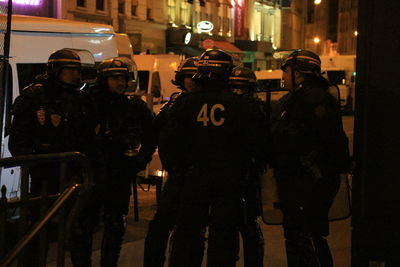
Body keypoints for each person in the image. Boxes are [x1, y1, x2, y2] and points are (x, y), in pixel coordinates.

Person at [160, 49, 268, 267]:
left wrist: (179, 171)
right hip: (228, 181)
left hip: (193, 179)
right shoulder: (240, 104)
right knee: (223, 237)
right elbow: (257, 145)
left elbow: (169, 142)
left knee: (188, 234)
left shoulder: (185, 103)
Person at [8, 48, 94, 267]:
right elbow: (17, 142)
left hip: (73, 178)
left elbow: (88, 139)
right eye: (71, 70)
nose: (77, 75)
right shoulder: (33, 97)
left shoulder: (81, 99)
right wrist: (39, 161)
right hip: (43, 179)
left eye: (78, 70)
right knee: (38, 230)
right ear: (56, 70)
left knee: (79, 231)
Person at [69, 57, 156, 267]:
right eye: (115, 78)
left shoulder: (132, 106)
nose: (120, 83)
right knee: (83, 225)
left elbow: (153, 134)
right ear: (103, 80)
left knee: (116, 224)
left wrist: (140, 160)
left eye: (122, 78)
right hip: (90, 174)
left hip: (119, 174)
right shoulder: (86, 103)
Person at [271, 49, 350, 267]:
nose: (283, 77)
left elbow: (320, 141)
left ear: (299, 73)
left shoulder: (310, 99)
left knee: (306, 237)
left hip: (306, 181)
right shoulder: (308, 96)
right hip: (306, 179)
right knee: (305, 235)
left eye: (286, 71)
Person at [144, 57, 202, 267]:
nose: (192, 81)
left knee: (191, 230)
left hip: (200, 177)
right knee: (160, 226)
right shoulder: (175, 102)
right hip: (177, 175)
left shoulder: (207, 103)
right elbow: (156, 131)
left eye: (196, 77)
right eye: (188, 76)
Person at [228, 66, 265, 267]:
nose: (237, 93)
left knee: (249, 225)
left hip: (248, 178)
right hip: (229, 177)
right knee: (229, 226)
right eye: (234, 88)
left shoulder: (258, 111)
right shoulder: (225, 110)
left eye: (241, 89)